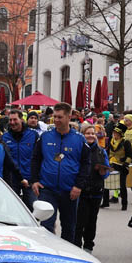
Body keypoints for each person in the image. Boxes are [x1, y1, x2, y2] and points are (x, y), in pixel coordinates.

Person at [30, 102, 91, 242]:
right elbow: (35, 159)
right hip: (47, 189)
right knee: (46, 227)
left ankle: (66, 258)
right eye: (55, 117)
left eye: (60, 117)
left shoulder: (79, 139)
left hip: (69, 190)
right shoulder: (45, 137)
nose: (56, 120)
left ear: (69, 117)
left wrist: (78, 186)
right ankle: (47, 255)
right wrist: (34, 181)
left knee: (69, 227)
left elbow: (86, 164)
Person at [74, 123, 109, 253]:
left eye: (93, 133)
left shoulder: (101, 151)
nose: (90, 136)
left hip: (96, 191)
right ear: (82, 135)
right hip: (81, 191)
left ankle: (88, 246)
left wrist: (103, 172)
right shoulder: (78, 149)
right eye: (87, 133)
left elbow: (106, 171)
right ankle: (76, 246)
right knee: (79, 221)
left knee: (92, 221)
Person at [2, 109, 37, 209]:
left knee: (31, 207)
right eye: (10, 120)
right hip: (12, 178)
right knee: (12, 207)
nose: (12, 122)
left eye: (15, 119)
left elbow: (38, 157)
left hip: (29, 177)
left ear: (22, 119)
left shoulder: (33, 135)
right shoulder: (5, 137)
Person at [103, 124, 132, 210]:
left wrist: (126, 163)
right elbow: (108, 152)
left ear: (120, 134)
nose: (114, 135)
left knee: (122, 185)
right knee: (106, 183)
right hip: (111, 164)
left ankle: (124, 204)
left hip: (121, 166)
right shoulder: (111, 141)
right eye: (114, 133)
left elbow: (130, 155)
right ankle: (105, 202)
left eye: (116, 133)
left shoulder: (125, 142)